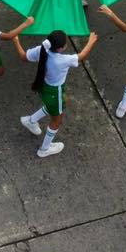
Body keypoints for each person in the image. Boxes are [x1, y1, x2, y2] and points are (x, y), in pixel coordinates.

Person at [14, 28, 100, 158]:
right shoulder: (63, 60)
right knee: (57, 120)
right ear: (60, 48)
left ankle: (31, 121)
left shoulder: (41, 50)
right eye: (65, 43)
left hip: (44, 87)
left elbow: (23, 56)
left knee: (51, 107)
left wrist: (16, 41)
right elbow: (82, 56)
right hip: (55, 92)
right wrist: (91, 41)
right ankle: (45, 148)